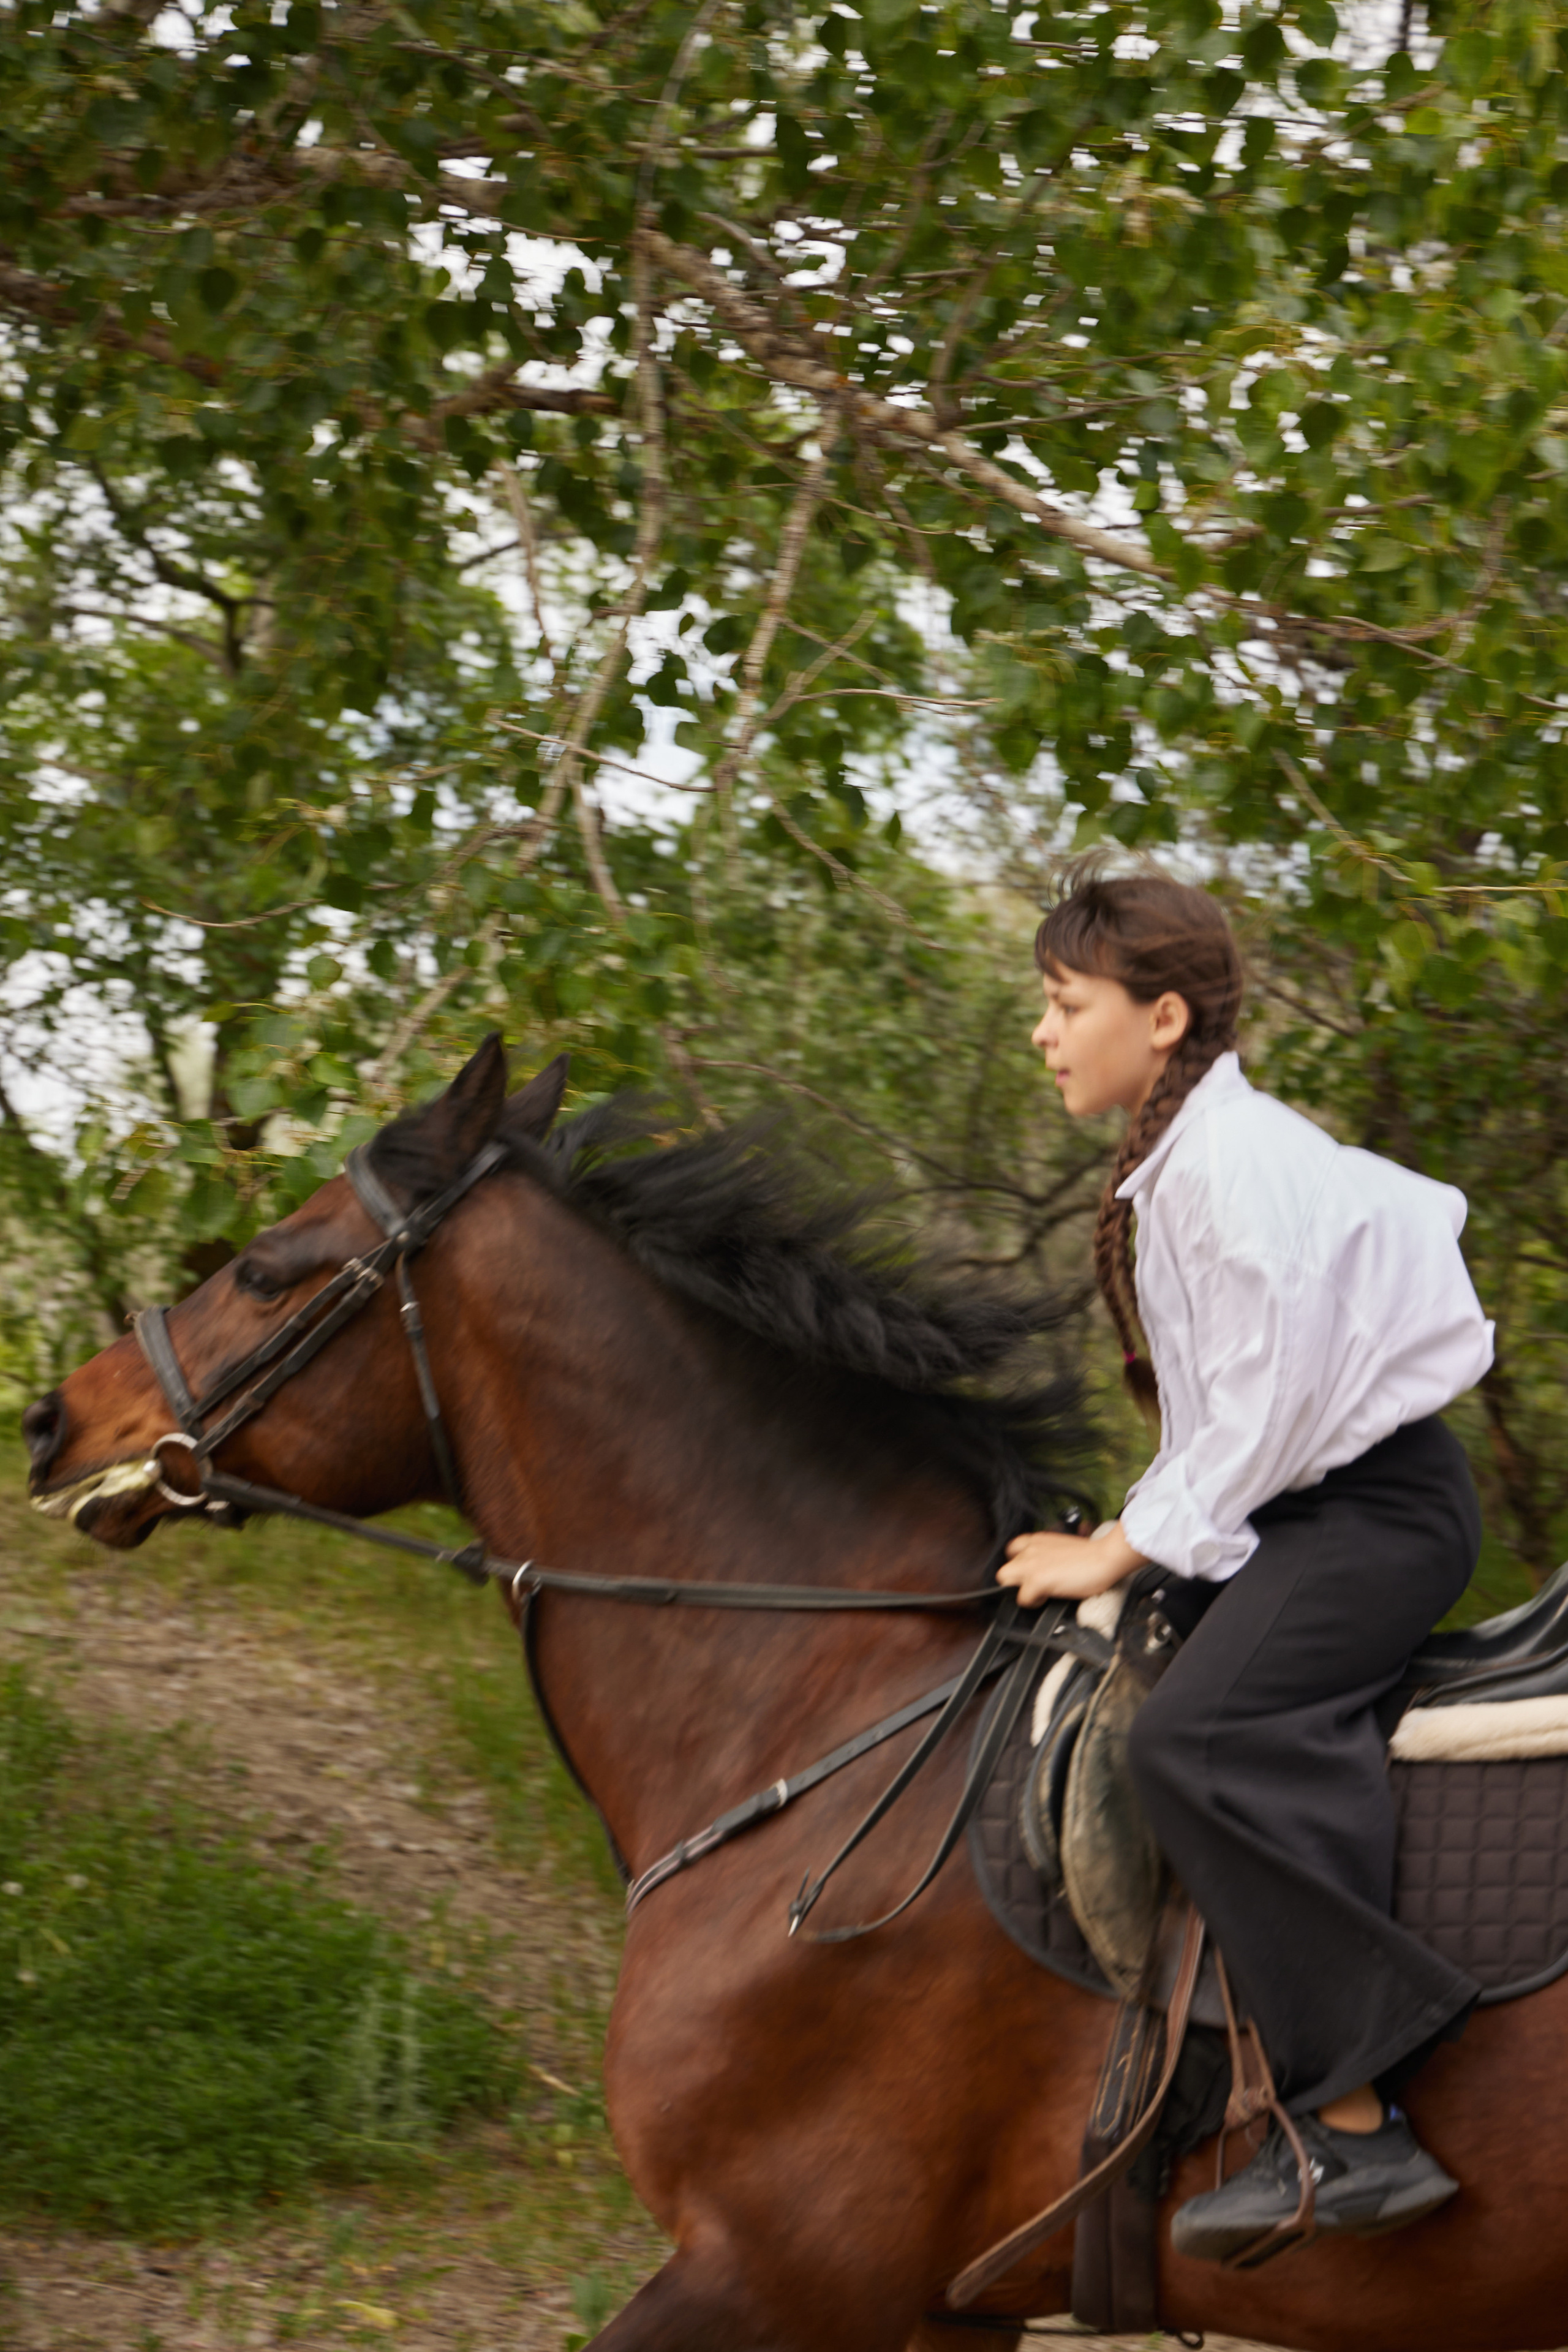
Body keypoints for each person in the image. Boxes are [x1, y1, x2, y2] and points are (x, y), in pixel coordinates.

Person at [998, 861, 1493, 2265]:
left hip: (1369, 1518)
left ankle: (1352, 2131)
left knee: (1195, 1744)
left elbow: (1265, 1409)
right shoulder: (1183, 1161)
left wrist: (1119, 1543)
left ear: (1158, 1019)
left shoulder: (1225, 1165)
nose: (1043, 1031)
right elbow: (1227, 1420)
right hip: (1308, 1509)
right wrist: (1128, 1543)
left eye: (1064, 1003)